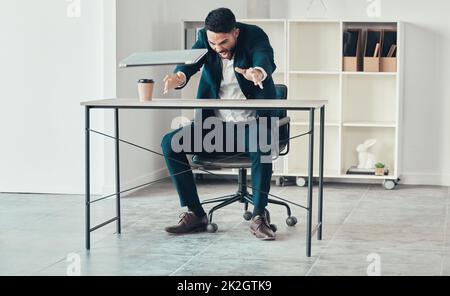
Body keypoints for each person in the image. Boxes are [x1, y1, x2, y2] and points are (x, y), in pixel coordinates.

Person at [161, 7, 280, 240]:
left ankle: (258, 217)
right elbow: (190, 62)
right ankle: (195, 213)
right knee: (170, 143)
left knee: (261, 143)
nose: (218, 49)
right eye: (213, 44)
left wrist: (257, 71)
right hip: (216, 129)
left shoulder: (254, 35)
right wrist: (178, 77)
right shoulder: (206, 40)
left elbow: (263, 56)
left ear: (235, 32)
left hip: (251, 125)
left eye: (223, 42)